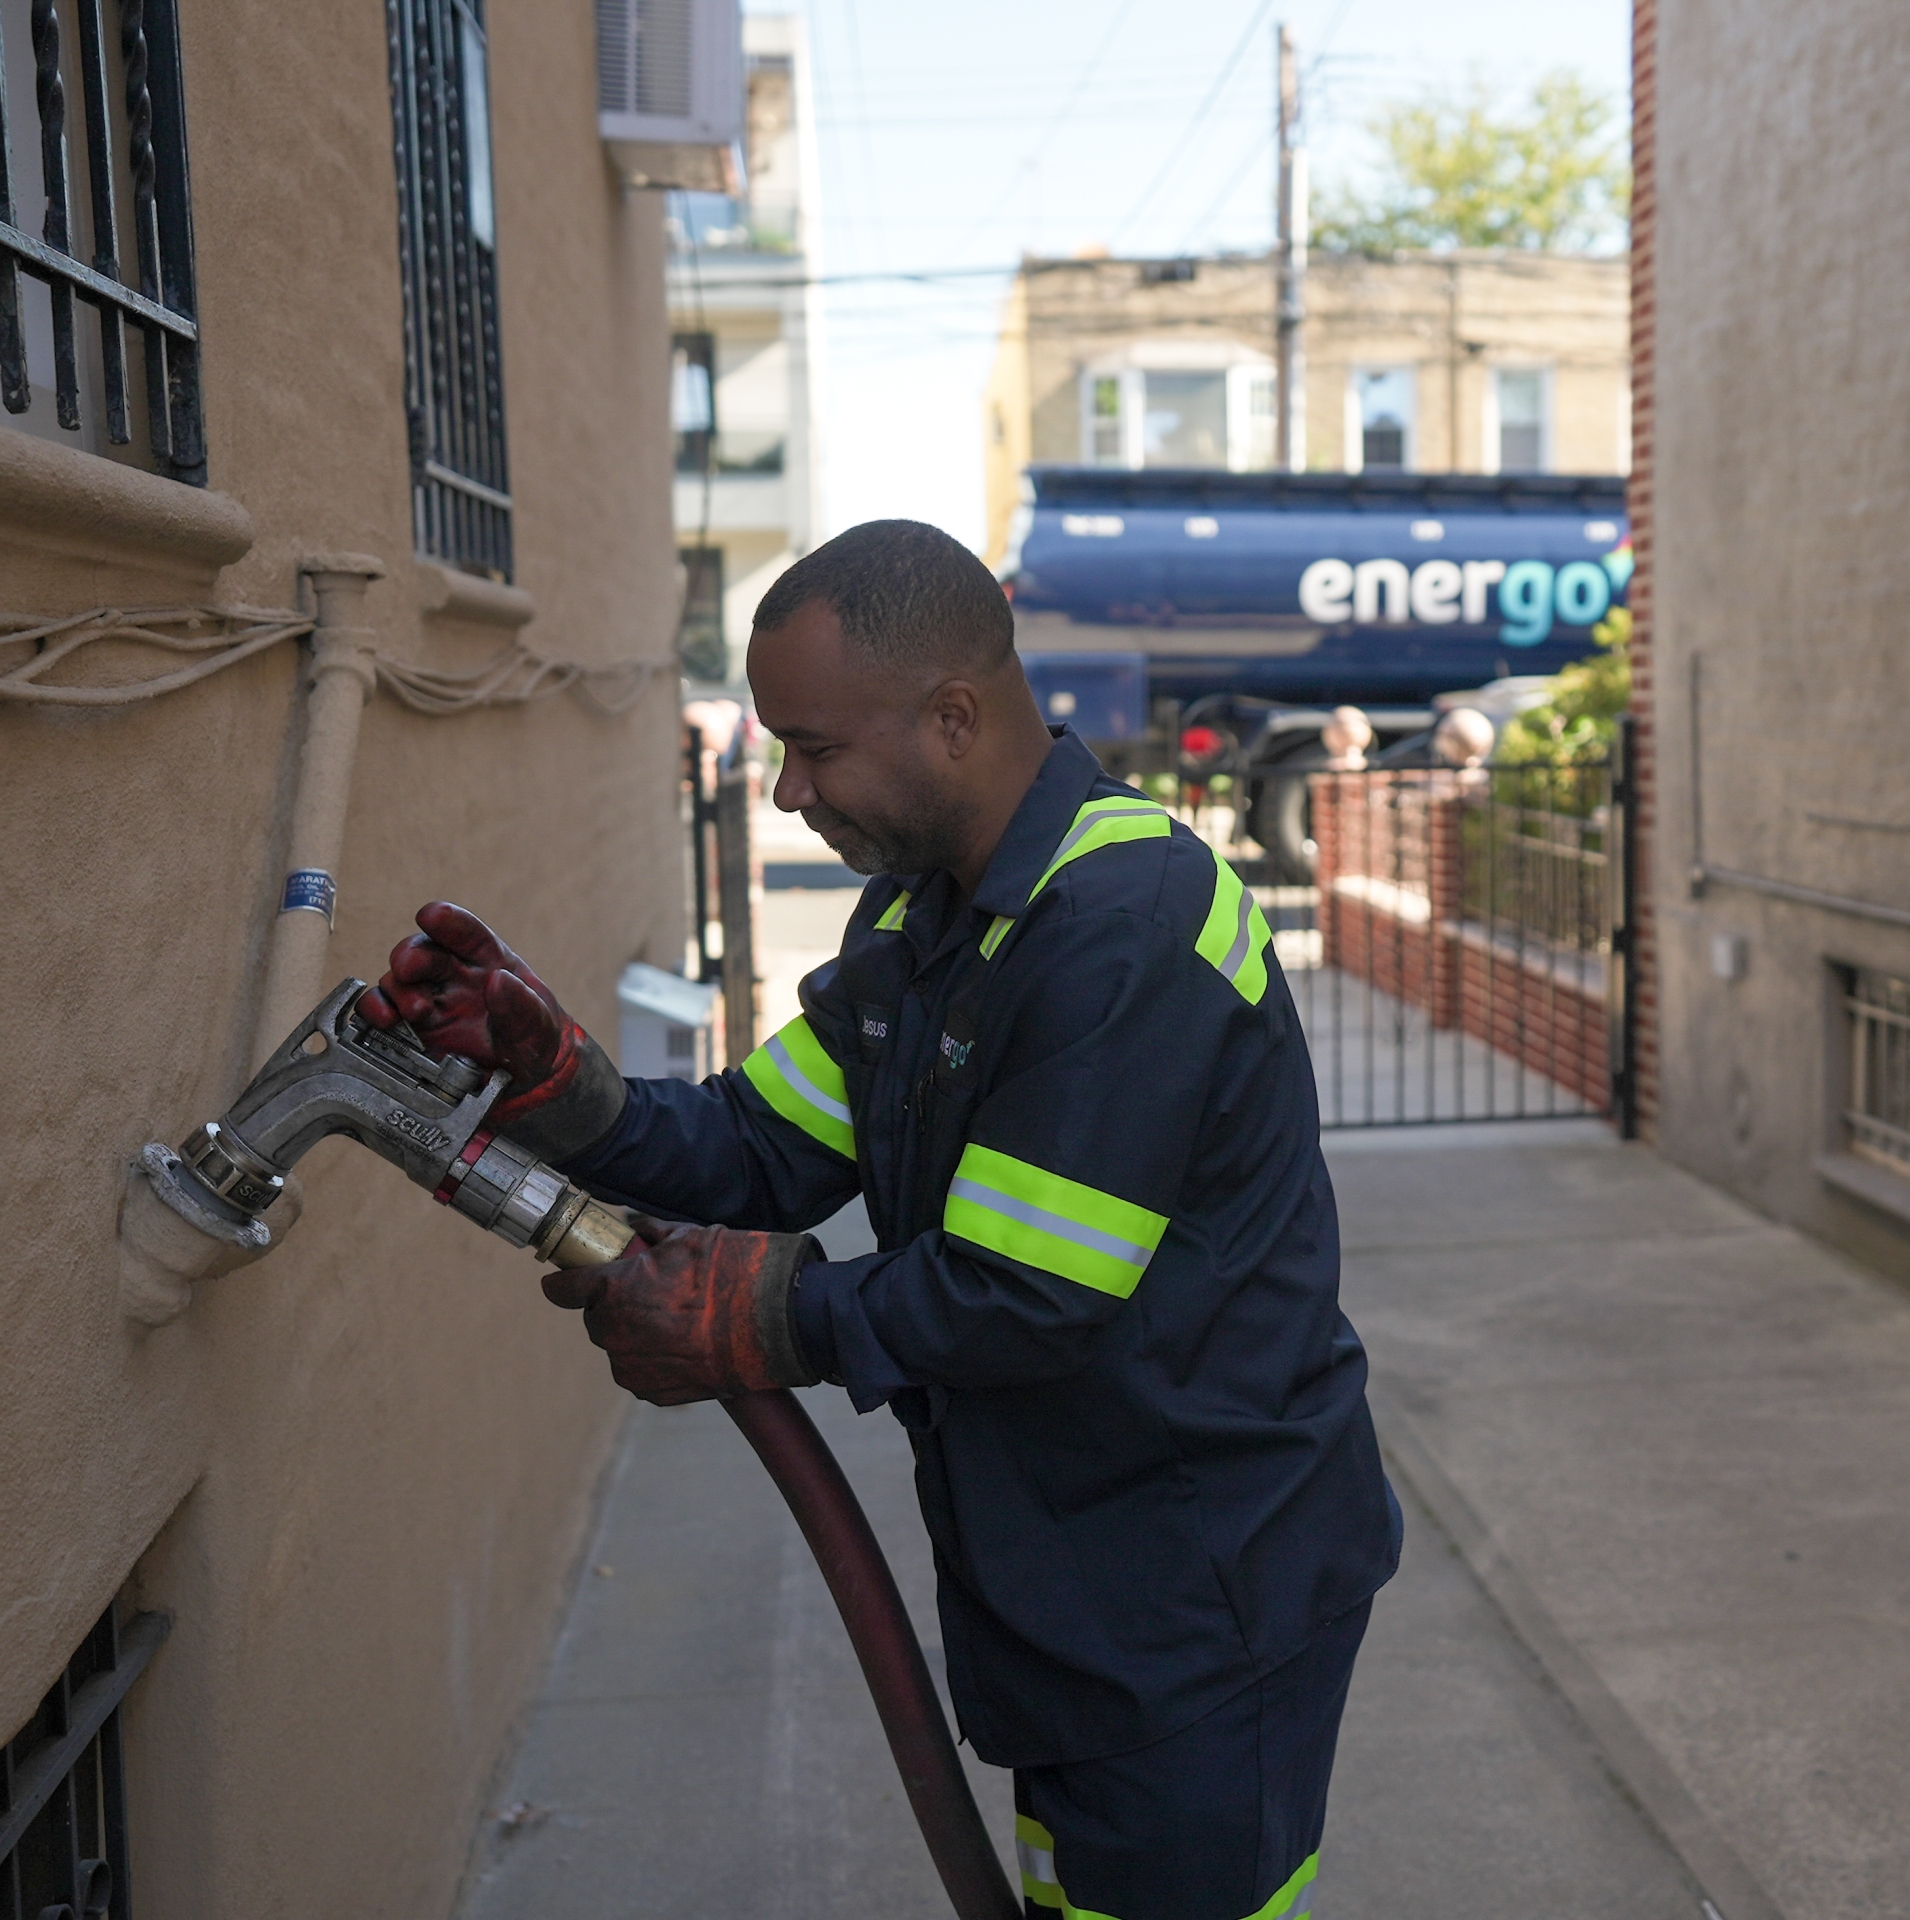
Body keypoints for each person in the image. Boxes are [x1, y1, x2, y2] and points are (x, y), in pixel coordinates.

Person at [359, 519, 1400, 1920]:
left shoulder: (1121, 922)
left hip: (1202, 1598)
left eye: (815, 749)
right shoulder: (925, 923)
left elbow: (1025, 1292)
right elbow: (757, 1146)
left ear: (952, 717)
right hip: (1075, 1581)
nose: (788, 791)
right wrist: (558, 1087)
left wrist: (755, 1315)